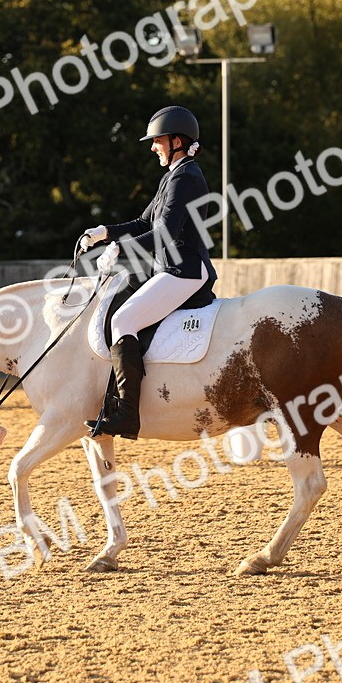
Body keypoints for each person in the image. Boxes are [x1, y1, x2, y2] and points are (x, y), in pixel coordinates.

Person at [79, 105, 218, 439]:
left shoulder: (186, 177)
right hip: (169, 268)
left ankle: (127, 415)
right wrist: (106, 233)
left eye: (157, 141)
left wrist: (120, 250)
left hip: (184, 270)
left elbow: (166, 232)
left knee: (123, 321)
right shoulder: (173, 176)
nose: (152, 147)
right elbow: (144, 223)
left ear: (176, 141)